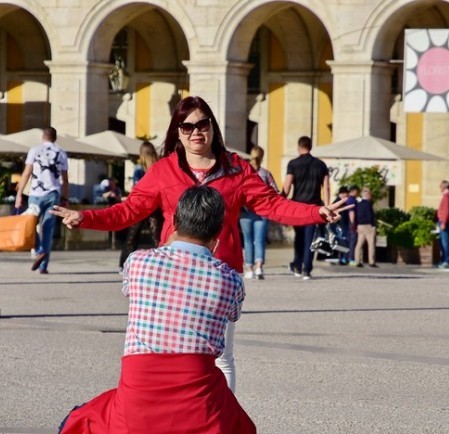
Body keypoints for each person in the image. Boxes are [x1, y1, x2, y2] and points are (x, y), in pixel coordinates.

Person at [50, 96, 349, 393]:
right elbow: (129, 210)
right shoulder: (163, 170)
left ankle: (223, 430)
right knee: (170, 354)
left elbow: (272, 205)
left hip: (219, 274)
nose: (196, 132)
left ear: (212, 127)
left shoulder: (236, 168)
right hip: (172, 273)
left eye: (202, 124)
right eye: (187, 126)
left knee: (220, 357)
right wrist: (85, 217)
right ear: (177, 132)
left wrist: (316, 212)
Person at [58, 186, 255, 434]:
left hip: (137, 405)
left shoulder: (139, 263)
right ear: (219, 231)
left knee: (74, 422)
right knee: (239, 426)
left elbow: (130, 289)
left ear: (174, 221)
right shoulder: (230, 280)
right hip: (199, 411)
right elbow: (232, 315)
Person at [15, 127, 69, 275]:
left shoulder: (34, 150)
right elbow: (65, 180)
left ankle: (39, 250)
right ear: (55, 138)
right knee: (47, 229)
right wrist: (65, 198)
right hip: (53, 195)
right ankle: (43, 266)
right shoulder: (62, 153)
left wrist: (19, 194)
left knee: (30, 224)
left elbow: (26, 173)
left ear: (42, 137)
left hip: (35, 194)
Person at [283, 135, 331, 280]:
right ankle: (307, 269)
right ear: (310, 147)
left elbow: (287, 186)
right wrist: (328, 207)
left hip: (297, 206)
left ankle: (297, 265)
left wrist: (281, 202)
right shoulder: (321, 164)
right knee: (310, 239)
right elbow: (327, 187)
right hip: (314, 206)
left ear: (299, 147)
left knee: (299, 237)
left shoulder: (293, 164)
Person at [118, 141, 163, 271]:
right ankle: (162, 265)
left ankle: (124, 266)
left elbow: (136, 188)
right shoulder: (159, 166)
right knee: (157, 238)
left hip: (139, 206)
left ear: (141, 154)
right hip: (155, 206)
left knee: (132, 237)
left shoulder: (139, 169)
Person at [239, 145, 278, 279]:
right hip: (262, 212)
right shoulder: (266, 174)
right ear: (262, 157)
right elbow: (275, 192)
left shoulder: (242, 172)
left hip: (245, 212)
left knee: (247, 241)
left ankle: (249, 268)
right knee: (259, 240)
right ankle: (259, 267)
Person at [353, 187, 377, 267]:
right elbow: (370, 215)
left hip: (360, 225)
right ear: (367, 194)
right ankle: (371, 262)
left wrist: (356, 225)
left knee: (359, 244)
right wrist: (373, 225)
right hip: (368, 225)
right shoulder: (368, 204)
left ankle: (357, 261)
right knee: (371, 244)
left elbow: (356, 215)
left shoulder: (358, 204)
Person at [436, 180, 449, 269]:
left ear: (444, 187)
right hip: (445, 220)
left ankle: (446, 260)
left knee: (444, 242)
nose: (440, 187)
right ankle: (444, 260)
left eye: (441, 186)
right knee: (443, 241)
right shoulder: (448, 195)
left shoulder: (447, 196)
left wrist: (443, 222)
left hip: (444, 221)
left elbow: (446, 210)